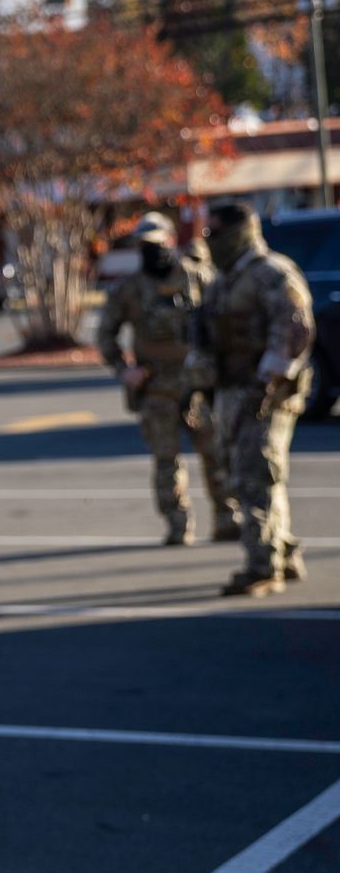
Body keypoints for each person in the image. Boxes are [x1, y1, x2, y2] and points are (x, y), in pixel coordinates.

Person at [95, 212, 236, 545]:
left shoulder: (198, 277)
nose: (152, 250)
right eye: (145, 245)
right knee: (166, 460)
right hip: (156, 387)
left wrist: (219, 367)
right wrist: (124, 369)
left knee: (215, 454)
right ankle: (177, 523)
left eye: (157, 243)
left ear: (172, 240)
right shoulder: (129, 289)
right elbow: (105, 334)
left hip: (197, 385)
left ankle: (228, 517)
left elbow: (223, 323)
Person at [198, 201, 315, 596]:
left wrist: (268, 381)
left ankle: (262, 565)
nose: (209, 241)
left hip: (264, 392)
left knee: (255, 475)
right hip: (234, 387)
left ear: (239, 231)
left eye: (215, 233)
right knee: (251, 473)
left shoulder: (271, 273)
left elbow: (295, 329)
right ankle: (283, 552)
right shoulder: (227, 278)